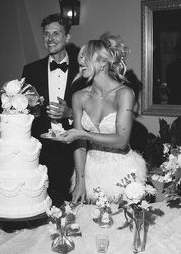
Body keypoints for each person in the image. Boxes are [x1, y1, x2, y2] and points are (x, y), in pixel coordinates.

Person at [56, 33, 147, 204]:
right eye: (81, 57)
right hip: (91, 170)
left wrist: (83, 135)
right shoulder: (79, 97)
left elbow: (121, 140)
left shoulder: (124, 94)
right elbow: (80, 145)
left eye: (87, 57)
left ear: (104, 62)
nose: (81, 61)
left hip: (123, 172)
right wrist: (80, 181)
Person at [22, 13, 86, 206]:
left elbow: (94, 112)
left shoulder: (83, 70)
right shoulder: (30, 70)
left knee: (72, 209)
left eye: (56, 33)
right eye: (46, 34)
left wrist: (68, 113)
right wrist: (31, 106)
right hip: (42, 152)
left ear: (67, 37)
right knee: (40, 207)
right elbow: (25, 112)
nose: (50, 39)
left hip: (74, 150)